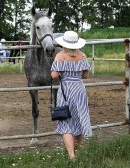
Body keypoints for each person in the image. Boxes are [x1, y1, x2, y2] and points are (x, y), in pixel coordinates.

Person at [51, 31, 92, 160]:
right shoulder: (83, 56)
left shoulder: (60, 56)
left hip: (66, 90)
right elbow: (85, 76)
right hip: (79, 89)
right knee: (79, 120)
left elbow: (54, 75)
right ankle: (76, 152)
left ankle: (71, 155)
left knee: (66, 122)